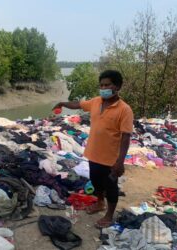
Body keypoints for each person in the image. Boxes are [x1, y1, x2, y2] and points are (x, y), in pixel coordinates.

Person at [53, 69, 134, 228]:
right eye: (101, 85)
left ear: (117, 86)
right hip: (93, 154)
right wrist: (63, 103)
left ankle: (109, 216)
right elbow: (78, 104)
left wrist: (120, 162)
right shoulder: (96, 101)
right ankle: (99, 203)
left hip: (111, 159)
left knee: (111, 187)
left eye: (107, 85)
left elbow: (126, 137)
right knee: (96, 182)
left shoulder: (125, 110)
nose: (103, 88)